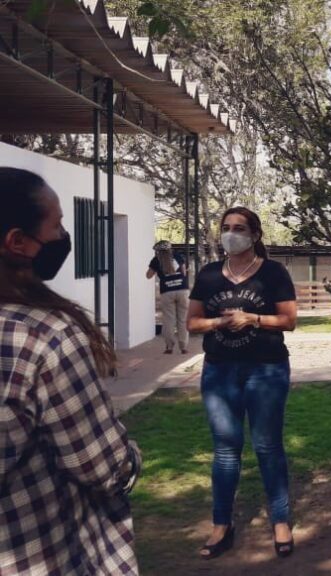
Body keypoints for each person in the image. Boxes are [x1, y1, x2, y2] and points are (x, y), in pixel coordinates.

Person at [0, 167, 142, 574]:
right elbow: (106, 466)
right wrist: (132, 457)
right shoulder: (44, 337)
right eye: (58, 224)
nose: (64, 236)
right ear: (18, 242)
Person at [186, 207, 298, 560]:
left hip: (266, 370)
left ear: (255, 235)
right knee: (225, 450)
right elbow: (192, 323)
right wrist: (220, 324)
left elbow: (289, 320)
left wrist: (253, 318)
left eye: (239, 228)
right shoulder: (207, 276)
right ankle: (222, 525)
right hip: (220, 372)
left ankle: (280, 521)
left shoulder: (273, 273)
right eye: (226, 228)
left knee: (267, 447)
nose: (231, 234)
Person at [147, 240, 190, 354]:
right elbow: (184, 273)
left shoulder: (156, 260)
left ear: (158, 251)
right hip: (182, 290)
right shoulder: (178, 256)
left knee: (169, 320)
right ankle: (183, 346)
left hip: (167, 292)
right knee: (183, 319)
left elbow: (148, 275)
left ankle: (169, 347)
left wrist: (158, 270)